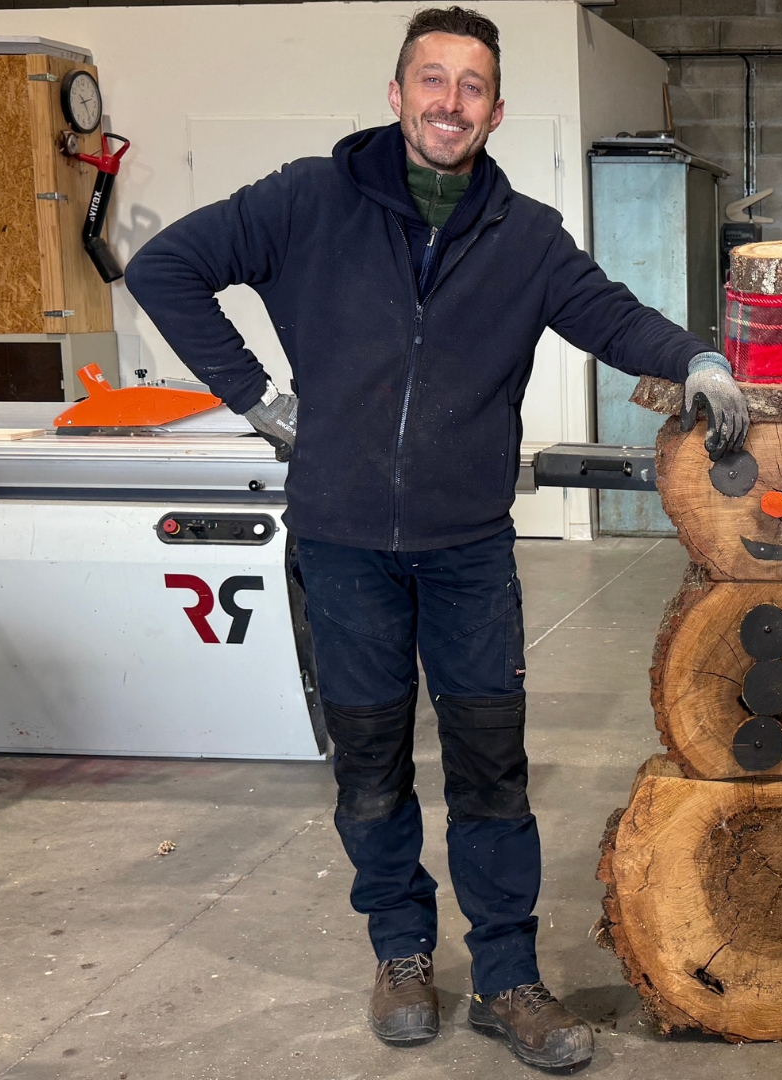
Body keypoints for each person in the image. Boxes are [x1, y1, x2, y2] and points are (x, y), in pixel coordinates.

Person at [125, 7, 746, 1070]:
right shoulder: (308, 200)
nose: (449, 101)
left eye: (471, 87)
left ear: (495, 110)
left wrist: (696, 359)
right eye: (431, 78)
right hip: (341, 541)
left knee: (490, 769)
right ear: (396, 91)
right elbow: (165, 266)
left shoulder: (525, 235)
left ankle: (507, 976)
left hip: (466, 553)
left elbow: (609, 315)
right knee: (370, 767)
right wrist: (258, 398)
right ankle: (402, 952)